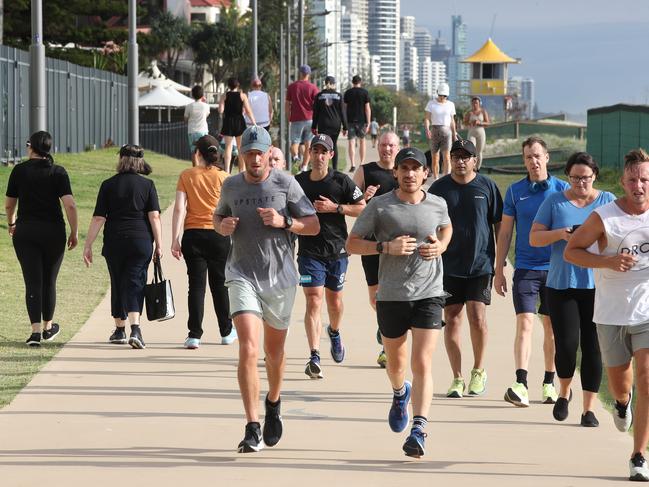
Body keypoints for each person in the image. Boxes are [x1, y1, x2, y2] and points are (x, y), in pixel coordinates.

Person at [214, 126, 320, 453]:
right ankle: (251, 426)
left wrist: (285, 222)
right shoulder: (231, 186)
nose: (255, 158)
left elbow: (313, 226)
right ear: (242, 154)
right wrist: (223, 226)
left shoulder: (286, 183)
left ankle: (274, 401)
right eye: (249, 153)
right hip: (241, 273)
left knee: (274, 354)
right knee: (248, 347)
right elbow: (218, 218)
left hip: (280, 280)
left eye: (260, 152)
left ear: (268, 153)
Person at [347, 146, 452, 458]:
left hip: (429, 292)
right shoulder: (380, 207)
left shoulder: (437, 203)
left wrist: (441, 247)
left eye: (415, 168)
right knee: (396, 365)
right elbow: (351, 244)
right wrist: (385, 247)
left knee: (422, 362)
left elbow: (446, 227)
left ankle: (419, 429)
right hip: (392, 294)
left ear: (424, 173)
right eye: (403, 169)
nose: (409, 174)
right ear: (395, 172)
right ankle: (399, 391)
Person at [564, 148, 649, 481]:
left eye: (644, 179)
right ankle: (622, 404)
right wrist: (607, 261)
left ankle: (638, 455)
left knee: (646, 376)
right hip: (612, 313)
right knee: (621, 384)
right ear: (622, 181)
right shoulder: (605, 217)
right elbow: (572, 251)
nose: (639, 186)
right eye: (633, 180)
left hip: (646, 312)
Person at [530, 152, 615, 426]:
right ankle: (564, 392)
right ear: (568, 177)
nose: (580, 183)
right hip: (561, 284)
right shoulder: (554, 202)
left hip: (597, 286)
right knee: (566, 345)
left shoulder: (607, 202)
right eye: (575, 178)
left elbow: (619, 236)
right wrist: (562, 234)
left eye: (586, 178)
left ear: (595, 177)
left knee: (593, 347)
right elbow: (534, 238)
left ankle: (588, 409)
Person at [494, 136, 568, 407]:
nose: (533, 161)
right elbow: (505, 233)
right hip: (525, 268)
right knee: (524, 323)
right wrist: (499, 268)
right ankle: (521, 382)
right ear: (524, 161)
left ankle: (549, 382)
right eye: (528, 157)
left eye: (537, 155)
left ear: (547, 157)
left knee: (550, 327)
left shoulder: (563, 189)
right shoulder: (515, 192)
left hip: (556, 270)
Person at [429, 139, 502, 398]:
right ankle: (457, 377)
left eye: (466, 157)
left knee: (477, 317)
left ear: (475, 160)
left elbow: (498, 224)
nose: (461, 161)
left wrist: (500, 261)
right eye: (456, 156)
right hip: (448, 265)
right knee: (452, 319)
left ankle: (478, 371)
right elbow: (429, 224)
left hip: (480, 263)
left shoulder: (487, 186)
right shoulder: (439, 189)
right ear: (450, 159)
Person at [295, 134, 365, 379]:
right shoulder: (299, 182)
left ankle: (334, 332)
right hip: (308, 252)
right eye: (315, 151)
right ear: (310, 153)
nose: (319, 155)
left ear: (331, 155)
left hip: (337, 251)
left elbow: (362, 207)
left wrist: (336, 208)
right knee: (313, 300)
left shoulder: (341, 181)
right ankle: (314, 355)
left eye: (324, 151)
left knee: (334, 303)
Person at [83, 145, 162, 349]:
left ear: (121, 160)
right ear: (140, 161)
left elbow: (99, 217)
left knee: (118, 281)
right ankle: (135, 328)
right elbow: (154, 217)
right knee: (135, 281)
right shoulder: (148, 185)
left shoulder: (108, 185)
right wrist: (159, 245)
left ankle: (119, 329)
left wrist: (88, 244)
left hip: (115, 240)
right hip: (141, 240)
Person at [5, 131, 78, 347]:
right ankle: (48, 327)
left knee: (32, 281)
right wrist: (74, 232)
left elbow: (10, 204)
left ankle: (35, 332)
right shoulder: (58, 172)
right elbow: (70, 205)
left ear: (31, 147)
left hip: (26, 231)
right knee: (49, 281)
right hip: (53, 232)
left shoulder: (19, 171)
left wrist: (11, 223)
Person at [171, 135, 237, 349]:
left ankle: (194, 334)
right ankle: (226, 331)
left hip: (193, 234)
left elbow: (180, 208)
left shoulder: (187, 175)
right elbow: (231, 208)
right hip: (218, 235)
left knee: (196, 286)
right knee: (220, 285)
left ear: (197, 153)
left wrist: (175, 238)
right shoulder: (225, 177)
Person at [352, 131, 401, 368]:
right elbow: (350, 203)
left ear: (398, 147)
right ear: (377, 146)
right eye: (383, 144)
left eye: (391, 145)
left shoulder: (403, 171)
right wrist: (364, 197)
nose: (387, 149)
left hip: (396, 245)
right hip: (371, 244)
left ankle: (385, 347)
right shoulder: (365, 171)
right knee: (375, 298)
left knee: (390, 296)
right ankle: (384, 327)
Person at [286, 65, 319, 173]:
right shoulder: (313, 88)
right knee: (308, 144)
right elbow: (317, 104)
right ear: (309, 74)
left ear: (300, 73)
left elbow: (287, 104)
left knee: (294, 143)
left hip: (296, 119)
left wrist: (288, 117)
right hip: (310, 119)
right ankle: (304, 167)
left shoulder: (292, 87)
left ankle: (296, 158)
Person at [219, 77, 256, 173]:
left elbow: (220, 110)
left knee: (228, 147)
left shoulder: (224, 95)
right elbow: (248, 111)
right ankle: (242, 170)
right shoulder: (242, 96)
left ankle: (227, 171)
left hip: (228, 122)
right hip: (239, 122)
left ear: (228, 86)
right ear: (238, 85)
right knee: (241, 148)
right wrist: (254, 123)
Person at [311, 76, 347, 171]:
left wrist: (314, 126)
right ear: (334, 84)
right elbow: (343, 112)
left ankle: (324, 167)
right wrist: (345, 127)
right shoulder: (339, 96)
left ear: (325, 83)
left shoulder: (319, 96)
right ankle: (335, 168)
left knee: (323, 146)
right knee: (333, 145)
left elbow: (315, 113)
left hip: (323, 124)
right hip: (335, 125)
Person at [424, 83, 457, 180]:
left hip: (447, 132)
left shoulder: (451, 105)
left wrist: (454, 133)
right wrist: (427, 129)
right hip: (435, 131)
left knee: (447, 157)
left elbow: (452, 120)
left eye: (444, 95)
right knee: (435, 158)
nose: (442, 97)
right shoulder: (431, 104)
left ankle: (447, 178)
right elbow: (426, 118)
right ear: (437, 93)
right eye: (441, 95)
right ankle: (436, 178)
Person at [343, 75, 371, 173]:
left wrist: (344, 123)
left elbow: (345, 109)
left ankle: (352, 164)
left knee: (351, 142)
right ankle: (362, 163)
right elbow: (367, 108)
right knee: (362, 141)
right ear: (361, 82)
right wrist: (368, 122)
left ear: (352, 82)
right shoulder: (365, 93)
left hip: (350, 121)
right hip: (362, 121)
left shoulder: (347, 93)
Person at [463, 96, 490, 170]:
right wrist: (469, 122)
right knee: (471, 149)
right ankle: (470, 166)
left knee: (479, 151)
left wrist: (480, 122)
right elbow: (465, 122)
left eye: (476, 103)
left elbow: (488, 123)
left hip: (480, 132)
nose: (475, 105)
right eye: (473, 103)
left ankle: (477, 168)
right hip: (472, 132)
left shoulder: (483, 111)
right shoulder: (469, 112)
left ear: (479, 104)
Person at [184, 85, 211, 153]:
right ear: (202, 95)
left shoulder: (189, 106)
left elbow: (185, 120)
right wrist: (205, 101)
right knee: (203, 152)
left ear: (192, 95)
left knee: (194, 152)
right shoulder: (206, 106)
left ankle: (195, 164)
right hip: (203, 131)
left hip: (192, 131)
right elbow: (206, 116)